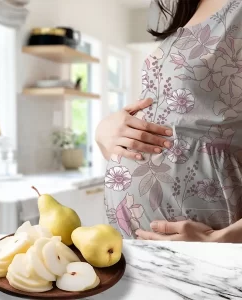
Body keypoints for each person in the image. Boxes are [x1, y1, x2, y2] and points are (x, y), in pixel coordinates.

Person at [96, 0, 242, 243]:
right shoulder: (190, 7)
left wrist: (225, 239)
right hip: (135, 245)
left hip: (211, 247)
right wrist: (104, 132)